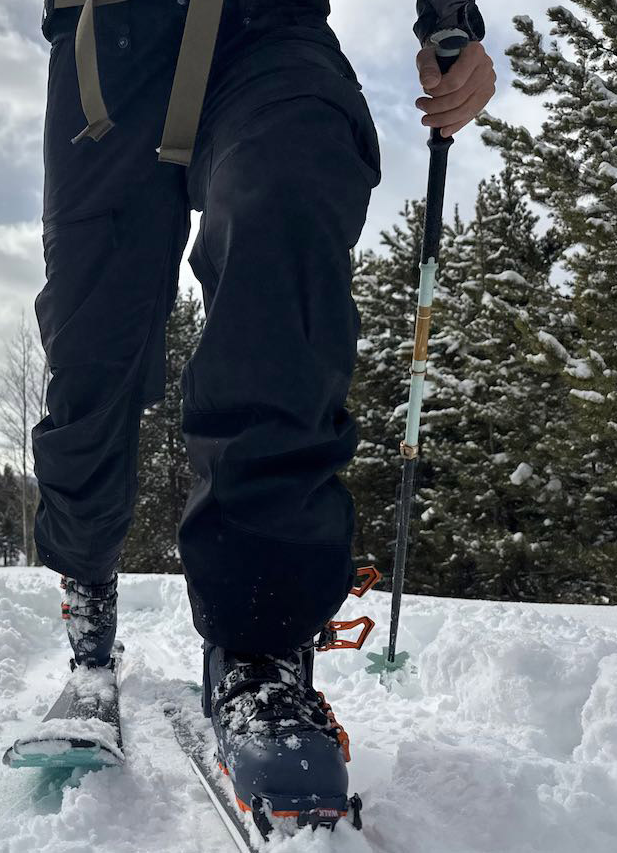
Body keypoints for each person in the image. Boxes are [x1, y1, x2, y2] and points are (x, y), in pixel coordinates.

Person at [29, 0, 494, 825]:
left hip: (267, 30)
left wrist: (447, 17)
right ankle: (89, 598)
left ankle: (259, 647)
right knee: (92, 351)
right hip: (111, 45)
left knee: (287, 188)